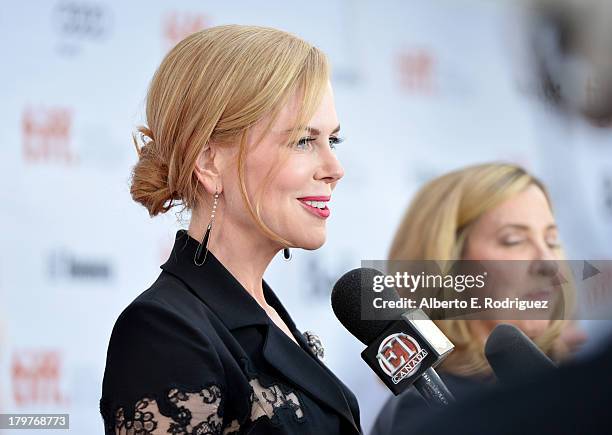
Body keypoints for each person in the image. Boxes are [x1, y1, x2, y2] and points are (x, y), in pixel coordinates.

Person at [99, 25, 361, 435]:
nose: (335, 170)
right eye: (303, 142)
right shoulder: (165, 333)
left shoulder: (265, 314)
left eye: (334, 140)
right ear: (209, 163)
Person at [371, 162, 582, 435]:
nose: (549, 263)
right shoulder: (424, 413)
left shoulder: (568, 380)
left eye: (552, 241)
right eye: (514, 240)